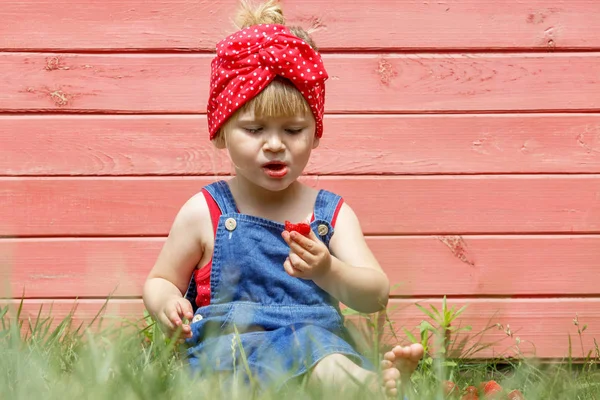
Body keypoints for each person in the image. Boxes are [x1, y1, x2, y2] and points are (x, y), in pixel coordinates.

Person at [142, 0, 424, 397]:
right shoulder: (205, 212)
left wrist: (328, 271)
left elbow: (375, 294)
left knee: (325, 360)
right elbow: (159, 280)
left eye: (293, 130)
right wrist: (166, 302)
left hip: (313, 342)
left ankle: (370, 388)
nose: (274, 145)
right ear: (221, 132)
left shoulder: (330, 215)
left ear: (316, 133)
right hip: (230, 348)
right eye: (254, 129)